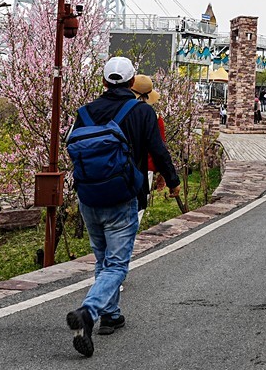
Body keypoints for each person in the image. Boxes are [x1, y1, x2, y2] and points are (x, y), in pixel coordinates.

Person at [66, 56, 181, 358]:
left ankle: (111, 315)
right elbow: (158, 149)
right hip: (123, 196)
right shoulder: (142, 111)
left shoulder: (85, 113)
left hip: (89, 197)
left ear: (103, 82)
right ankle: (89, 312)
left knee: (103, 260)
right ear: (132, 83)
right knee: (116, 264)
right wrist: (173, 180)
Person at [130, 74, 165, 223]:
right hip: (146, 168)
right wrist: (163, 173)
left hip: (117, 165)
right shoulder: (155, 117)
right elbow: (160, 148)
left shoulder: (118, 112)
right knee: (137, 208)